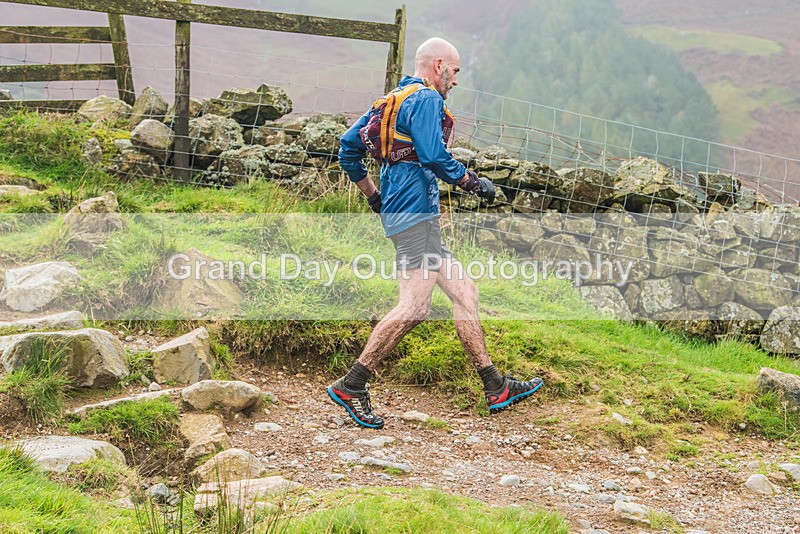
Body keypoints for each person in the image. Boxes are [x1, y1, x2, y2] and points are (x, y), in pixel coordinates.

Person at [327, 37, 543, 429]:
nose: (456, 81)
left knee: (465, 292)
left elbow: (347, 149)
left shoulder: (389, 100)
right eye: (455, 71)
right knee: (415, 307)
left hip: (410, 215)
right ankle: (351, 384)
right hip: (414, 219)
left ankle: (495, 386)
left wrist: (375, 197)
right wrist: (473, 183)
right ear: (439, 64)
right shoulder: (425, 98)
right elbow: (432, 155)